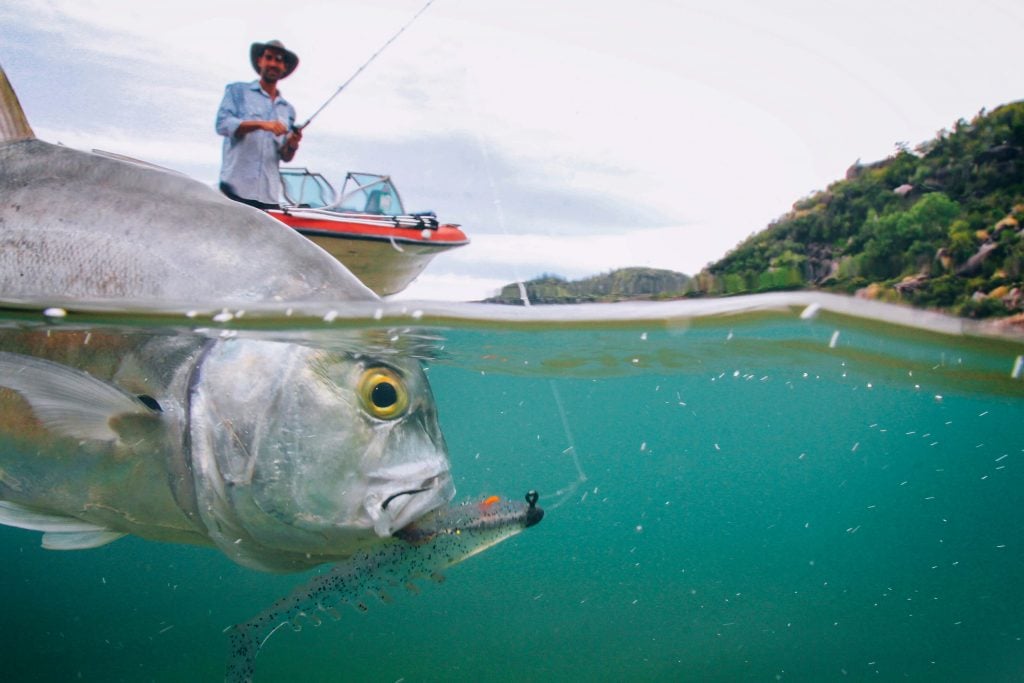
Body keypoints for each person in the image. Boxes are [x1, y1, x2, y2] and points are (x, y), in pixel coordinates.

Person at [216, 40, 303, 209]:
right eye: (268, 58)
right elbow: (222, 125)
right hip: (234, 192)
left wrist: (293, 144)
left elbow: (285, 156)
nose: (273, 63)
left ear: (284, 67)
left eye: (278, 60)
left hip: (268, 197)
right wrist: (262, 124)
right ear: (259, 61)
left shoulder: (288, 110)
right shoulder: (237, 91)